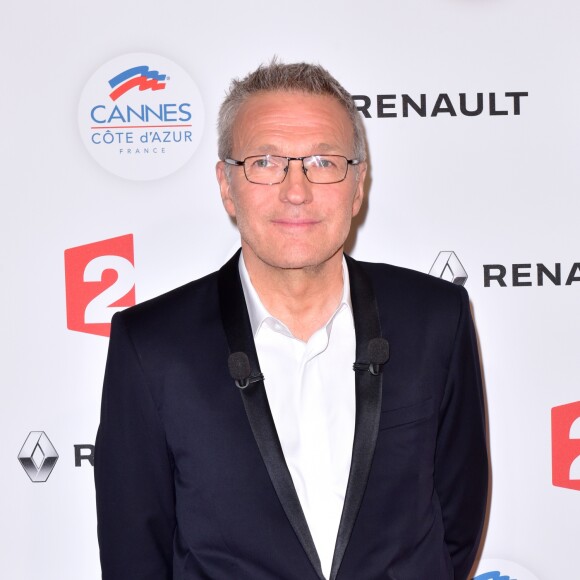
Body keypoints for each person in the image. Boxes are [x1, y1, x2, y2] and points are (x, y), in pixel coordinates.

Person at [94, 60, 488, 580]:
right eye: (265, 161)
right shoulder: (151, 344)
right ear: (227, 185)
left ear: (358, 183)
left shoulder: (437, 318)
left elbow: (456, 523)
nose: (295, 190)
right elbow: (134, 553)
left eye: (323, 162)